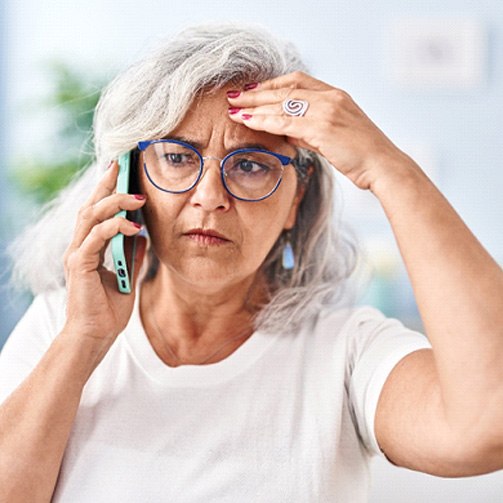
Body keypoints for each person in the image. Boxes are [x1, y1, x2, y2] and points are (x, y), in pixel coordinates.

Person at [1, 22, 502, 502]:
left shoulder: (347, 354)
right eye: (177, 156)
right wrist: (83, 340)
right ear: (132, 181)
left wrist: (386, 167)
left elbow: (487, 423)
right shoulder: (60, 327)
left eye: (249, 165)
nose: (209, 198)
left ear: (295, 201)